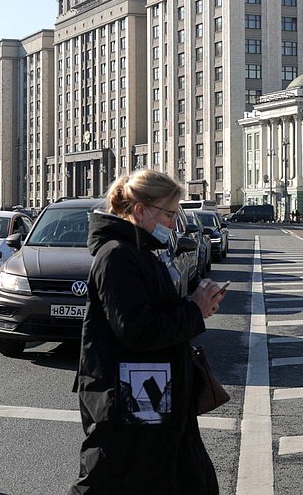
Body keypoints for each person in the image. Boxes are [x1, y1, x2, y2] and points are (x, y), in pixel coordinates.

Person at [71, 170, 227, 494]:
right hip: (129, 400)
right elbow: (137, 330)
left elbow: (150, 315)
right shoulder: (116, 256)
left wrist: (197, 303)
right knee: (111, 482)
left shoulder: (137, 251)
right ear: (141, 211)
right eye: (170, 214)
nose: (173, 223)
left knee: (180, 478)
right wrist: (194, 310)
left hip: (148, 394)